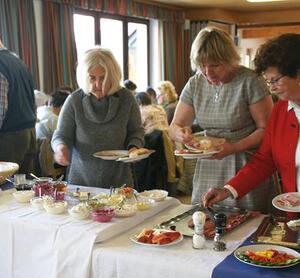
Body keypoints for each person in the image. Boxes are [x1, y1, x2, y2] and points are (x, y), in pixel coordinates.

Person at [169, 27, 275, 213]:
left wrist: (234, 147)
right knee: (205, 220)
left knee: (245, 225)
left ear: (230, 60)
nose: (208, 72)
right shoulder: (195, 83)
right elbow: (174, 127)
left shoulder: (250, 81)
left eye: (215, 65)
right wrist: (181, 133)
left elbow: (266, 130)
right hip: (209, 165)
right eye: (202, 65)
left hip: (244, 164)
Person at [202, 33, 300, 217]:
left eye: (275, 80)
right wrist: (228, 190)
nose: (271, 88)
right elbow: (265, 159)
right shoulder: (281, 111)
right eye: (267, 81)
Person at [52, 47, 144, 188]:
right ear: (84, 76)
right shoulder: (74, 100)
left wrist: (134, 148)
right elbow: (61, 135)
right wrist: (61, 148)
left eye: (103, 78)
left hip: (120, 181)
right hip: (81, 182)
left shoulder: (127, 98)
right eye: (92, 78)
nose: (98, 84)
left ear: (113, 76)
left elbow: (136, 131)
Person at [0, 38, 37, 174]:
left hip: (9, 138)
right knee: (24, 188)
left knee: (5, 189)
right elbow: (32, 100)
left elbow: (0, 108)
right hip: (29, 132)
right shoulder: (17, 61)